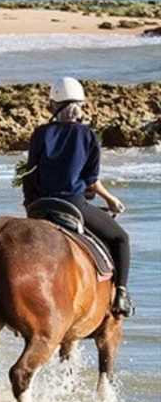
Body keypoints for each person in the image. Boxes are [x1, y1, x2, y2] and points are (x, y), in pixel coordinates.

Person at [25, 76, 133, 317]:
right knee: (120, 238)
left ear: (54, 105)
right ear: (80, 105)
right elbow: (91, 181)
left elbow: (29, 173)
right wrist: (110, 199)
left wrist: (30, 206)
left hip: (41, 205)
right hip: (73, 205)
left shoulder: (40, 134)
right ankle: (122, 297)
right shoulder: (88, 136)